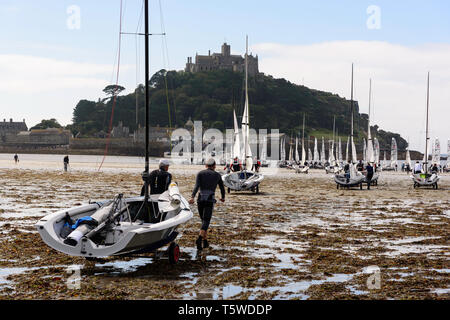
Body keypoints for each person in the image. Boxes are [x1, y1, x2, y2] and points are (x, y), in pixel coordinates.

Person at [189, 158, 225, 251]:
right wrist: (223, 197)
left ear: (206, 166)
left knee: (203, 221)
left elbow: (196, 186)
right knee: (206, 221)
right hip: (209, 200)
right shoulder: (217, 175)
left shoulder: (200, 173)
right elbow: (222, 187)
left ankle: (205, 242)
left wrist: (192, 197)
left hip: (200, 199)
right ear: (214, 166)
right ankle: (200, 238)